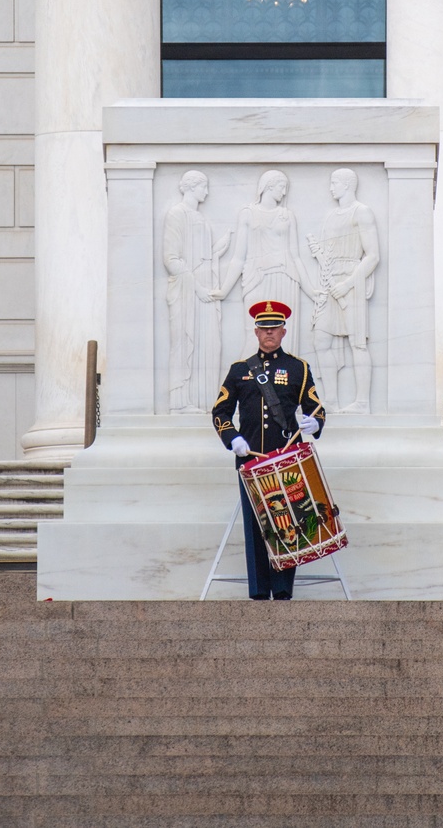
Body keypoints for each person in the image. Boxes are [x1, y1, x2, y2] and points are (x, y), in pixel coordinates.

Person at [212, 300, 325, 601]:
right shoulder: (239, 371)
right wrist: (232, 439)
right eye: (264, 328)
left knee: (288, 521)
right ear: (256, 332)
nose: (269, 333)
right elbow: (220, 412)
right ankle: (260, 591)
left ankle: (283, 589)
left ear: (284, 331)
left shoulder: (298, 368)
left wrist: (314, 423)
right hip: (251, 460)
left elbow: (316, 408)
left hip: (286, 458)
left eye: (274, 328)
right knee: (255, 525)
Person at [215, 170, 316, 354]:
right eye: (281, 187)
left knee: (284, 335)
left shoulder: (287, 215)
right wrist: (224, 290)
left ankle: (287, 382)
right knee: (253, 335)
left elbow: (296, 257)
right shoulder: (248, 214)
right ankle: (244, 381)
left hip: (285, 279)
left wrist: (311, 291)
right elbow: (238, 257)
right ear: (269, 186)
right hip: (256, 278)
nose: (284, 193)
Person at [308, 168, 380, 413]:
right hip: (330, 282)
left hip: (352, 283)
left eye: (334, 183)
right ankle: (331, 400)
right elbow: (328, 253)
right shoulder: (331, 216)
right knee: (320, 340)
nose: (331, 188)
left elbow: (372, 256)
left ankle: (362, 402)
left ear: (347, 185)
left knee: (357, 344)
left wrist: (348, 283)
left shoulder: (362, 212)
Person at [163, 171, 230, 413]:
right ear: (192, 187)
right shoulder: (176, 214)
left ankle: (206, 402)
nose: (207, 192)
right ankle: (181, 402)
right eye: (204, 187)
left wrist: (217, 252)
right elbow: (172, 259)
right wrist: (197, 287)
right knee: (184, 343)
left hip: (203, 291)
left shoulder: (200, 218)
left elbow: (202, 257)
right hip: (186, 291)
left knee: (210, 344)